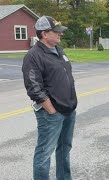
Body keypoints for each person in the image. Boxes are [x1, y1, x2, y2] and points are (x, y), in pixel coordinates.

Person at [22, 16, 77, 179]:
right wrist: (51, 110)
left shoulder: (59, 51)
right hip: (51, 114)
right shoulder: (33, 55)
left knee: (64, 148)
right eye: (56, 32)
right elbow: (34, 87)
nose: (60, 35)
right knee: (44, 153)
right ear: (44, 34)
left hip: (68, 110)